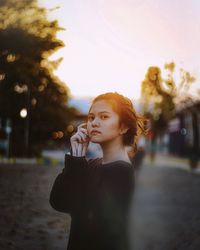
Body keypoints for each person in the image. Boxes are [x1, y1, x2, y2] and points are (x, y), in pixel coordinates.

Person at [49, 92, 146, 250]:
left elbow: (88, 216)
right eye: (91, 117)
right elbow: (59, 202)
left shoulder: (121, 171)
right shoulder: (92, 164)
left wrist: (78, 163)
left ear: (123, 126)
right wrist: (76, 156)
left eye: (104, 117)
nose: (94, 122)